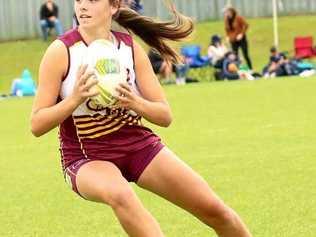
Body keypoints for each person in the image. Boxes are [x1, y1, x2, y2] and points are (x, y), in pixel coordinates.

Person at [31, 0, 253, 236]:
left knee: (217, 212)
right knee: (121, 194)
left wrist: (136, 103)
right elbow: (36, 124)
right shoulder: (61, 51)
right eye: (78, 0)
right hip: (87, 156)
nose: (82, 6)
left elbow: (164, 115)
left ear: (114, 6)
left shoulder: (129, 48)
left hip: (138, 146)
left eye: (93, 0)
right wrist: (74, 99)